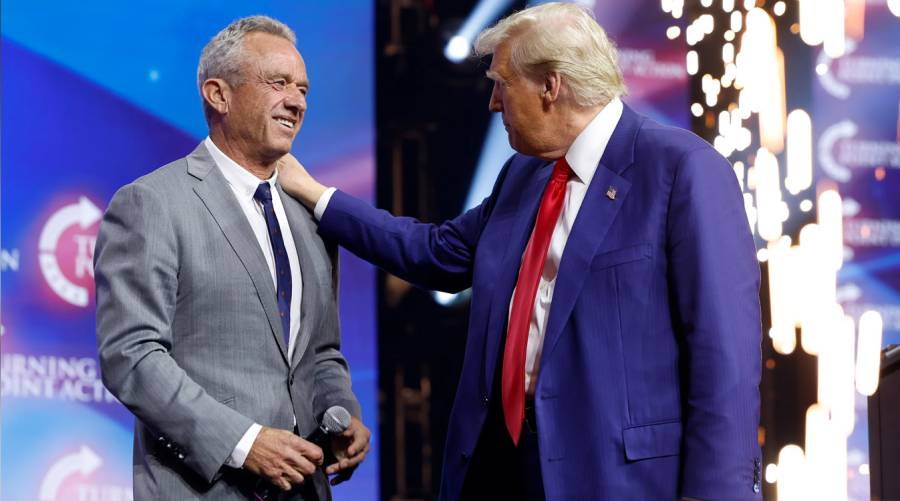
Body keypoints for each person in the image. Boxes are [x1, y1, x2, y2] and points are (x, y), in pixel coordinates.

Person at [278, 3, 762, 500]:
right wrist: (317, 196)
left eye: (501, 84)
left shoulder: (681, 170)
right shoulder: (523, 175)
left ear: (550, 87)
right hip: (501, 471)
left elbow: (724, 361)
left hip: (616, 481)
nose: (492, 103)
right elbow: (436, 254)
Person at [95, 16, 370, 500]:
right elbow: (132, 357)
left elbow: (321, 351)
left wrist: (341, 412)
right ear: (218, 95)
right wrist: (245, 444)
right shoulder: (153, 203)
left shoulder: (309, 217)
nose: (297, 101)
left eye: (303, 88)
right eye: (278, 83)